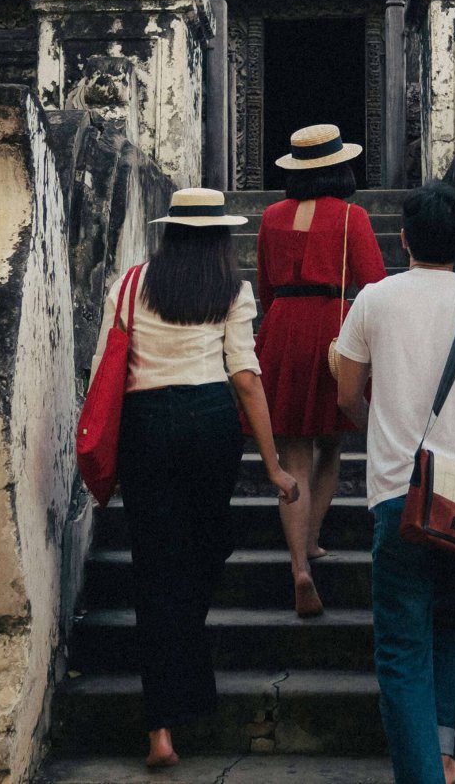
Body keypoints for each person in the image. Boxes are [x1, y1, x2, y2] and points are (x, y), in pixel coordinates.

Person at [90, 187, 301, 769]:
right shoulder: (231, 290)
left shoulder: (131, 283)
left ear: (171, 232)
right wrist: (274, 464)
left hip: (146, 425)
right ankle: (183, 678)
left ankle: (161, 728)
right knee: (204, 551)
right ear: (219, 237)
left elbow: (107, 366)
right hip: (210, 424)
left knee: (156, 568)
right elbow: (247, 378)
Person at [333, 181, 455, 784]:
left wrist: (379, 427)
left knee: (401, 646)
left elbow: (346, 392)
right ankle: (440, 753)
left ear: (403, 239)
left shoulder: (374, 299)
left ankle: (424, 773)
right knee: (448, 626)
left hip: (401, 493)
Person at [255, 123, 387, 617]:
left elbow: (266, 287)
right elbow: (375, 287)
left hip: (283, 328)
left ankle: (297, 567)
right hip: (335, 329)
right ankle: (311, 541)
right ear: (339, 167)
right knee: (332, 445)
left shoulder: (269, 216)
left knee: (292, 457)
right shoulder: (353, 217)